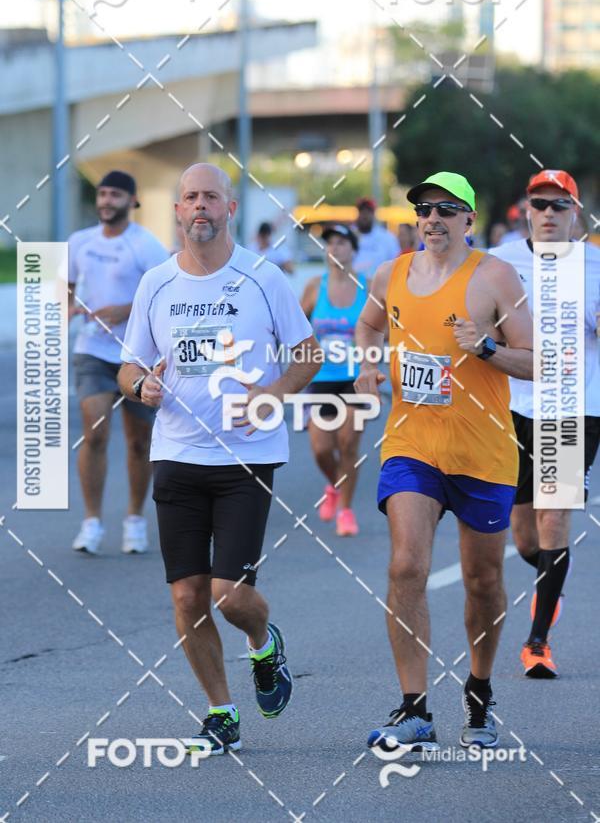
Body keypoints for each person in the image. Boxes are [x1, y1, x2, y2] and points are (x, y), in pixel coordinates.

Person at [118, 163, 320, 755]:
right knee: (186, 595)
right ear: (177, 211)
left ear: (229, 208)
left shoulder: (262, 278)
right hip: (177, 452)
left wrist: (271, 395)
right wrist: (140, 389)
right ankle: (221, 712)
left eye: (210, 196)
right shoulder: (156, 283)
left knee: (229, 593)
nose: (199, 206)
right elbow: (129, 365)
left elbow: (306, 354)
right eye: (189, 198)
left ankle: (263, 641)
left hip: (246, 456)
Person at [355, 171, 533, 753]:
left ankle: (479, 695)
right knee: (406, 565)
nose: (432, 218)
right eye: (424, 209)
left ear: (469, 220)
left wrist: (484, 345)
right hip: (412, 443)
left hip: (483, 451)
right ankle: (414, 711)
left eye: (446, 210)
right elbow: (368, 322)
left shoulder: (496, 278)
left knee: (483, 582)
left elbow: (536, 361)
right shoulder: (392, 272)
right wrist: (368, 366)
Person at [490, 169, 600, 678]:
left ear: (575, 212)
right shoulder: (500, 263)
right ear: (526, 211)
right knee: (525, 535)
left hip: (572, 407)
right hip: (511, 406)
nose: (550, 214)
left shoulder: (596, 264)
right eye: (541, 205)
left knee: (554, 520)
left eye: (560, 205)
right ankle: (550, 579)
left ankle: (537, 643)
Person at [68, 170, 169, 555]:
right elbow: (67, 285)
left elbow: (163, 296)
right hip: (92, 350)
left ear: (133, 200)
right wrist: (68, 305)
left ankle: (134, 519)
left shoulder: (145, 246)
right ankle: (92, 522)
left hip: (138, 356)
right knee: (94, 434)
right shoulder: (80, 242)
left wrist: (125, 309)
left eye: (115, 195)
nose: (107, 200)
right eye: (102, 194)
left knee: (139, 440)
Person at [300, 224, 368, 536]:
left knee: (348, 443)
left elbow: (387, 331)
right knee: (321, 449)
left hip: (355, 378)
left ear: (353, 249)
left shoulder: (367, 288)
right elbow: (296, 327)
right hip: (322, 376)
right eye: (330, 243)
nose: (335, 248)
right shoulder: (316, 287)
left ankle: (346, 511)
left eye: (341, 243)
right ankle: (334, 485)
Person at [353, 197, 399, 277]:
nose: (365, 215)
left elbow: (396, 263)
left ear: (373, 214)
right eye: (362, 211)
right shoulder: (348, 237)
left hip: (380, 286)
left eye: (368, 212)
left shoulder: (387, 238)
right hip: (353, 286)